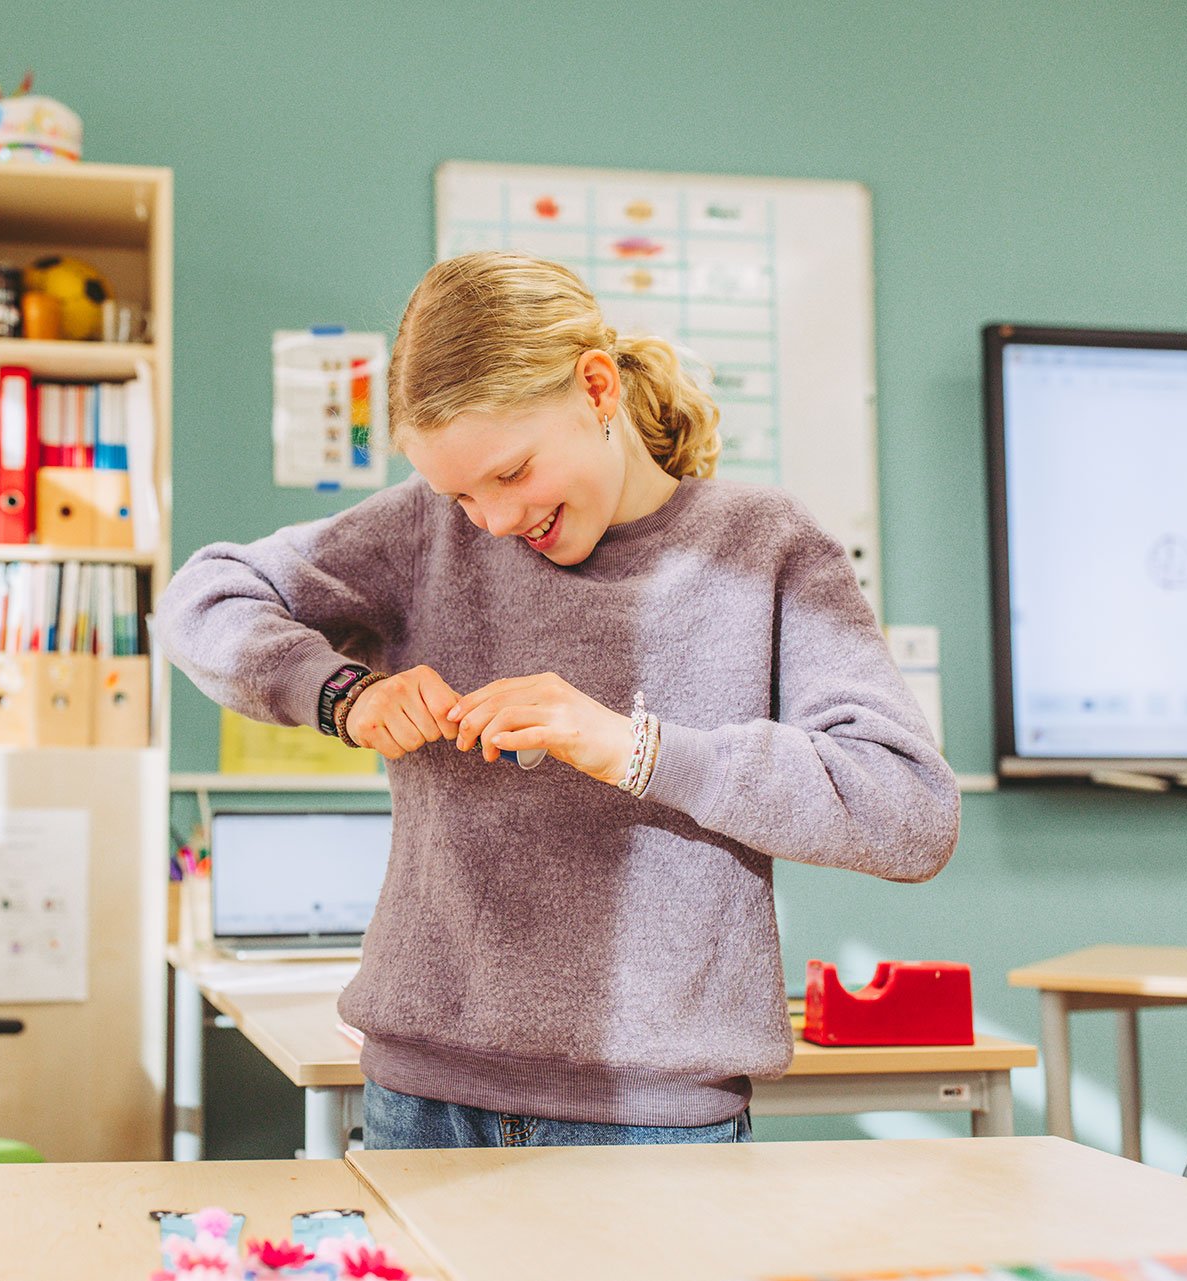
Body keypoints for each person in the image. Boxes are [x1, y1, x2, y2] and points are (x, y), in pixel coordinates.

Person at [155, 250, 958, 1150]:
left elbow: (909, 811)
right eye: (459, 493)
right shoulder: (424, 533)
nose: (493, 522)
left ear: (598, 387)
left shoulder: (761, 548)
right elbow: (202, 598)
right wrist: (340, 692)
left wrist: (634, 748)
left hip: (655, 1131)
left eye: (511, 473)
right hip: (420, 1104)